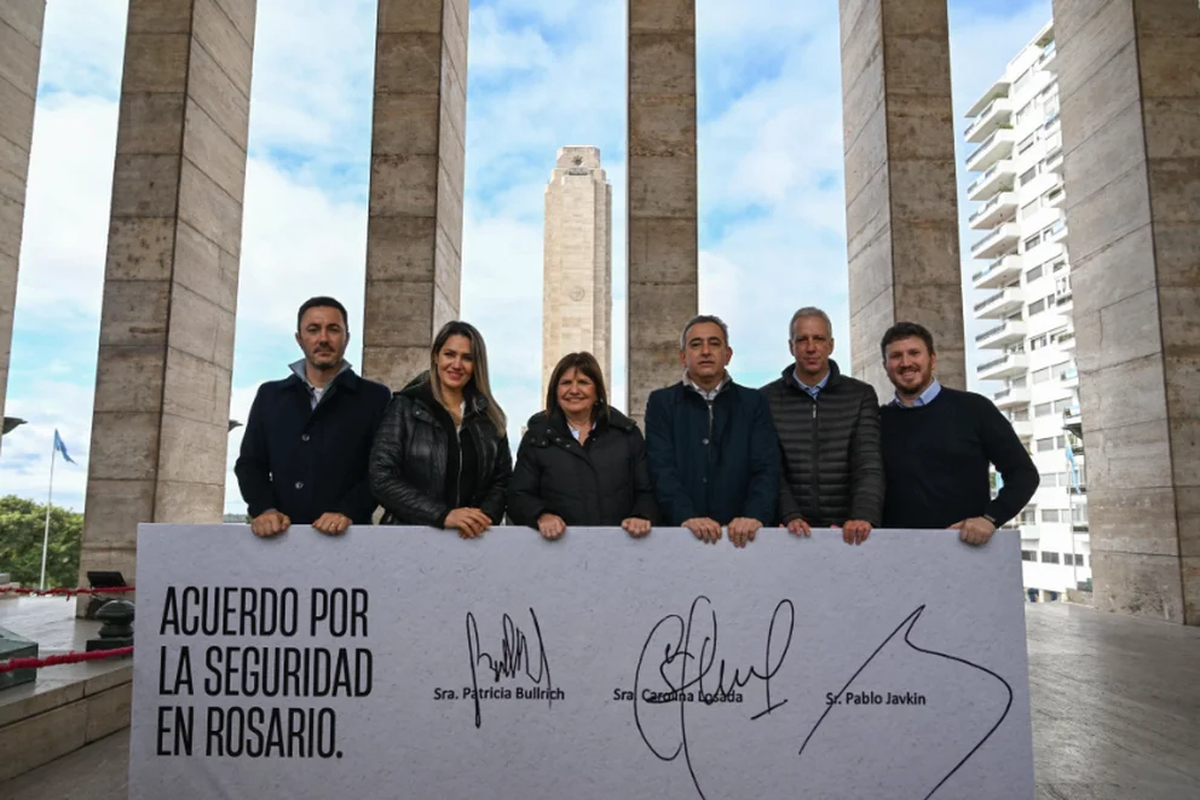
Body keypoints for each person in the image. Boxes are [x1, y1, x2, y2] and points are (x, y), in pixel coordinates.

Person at [235, 296, 391, 538]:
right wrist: (264, 509)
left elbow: (382, 471)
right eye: (313, 329)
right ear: (299, 339)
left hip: (351, 539)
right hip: (279, 538)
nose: (323, 339)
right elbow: (250, 464)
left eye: (333, 329)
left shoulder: (374, 397)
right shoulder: (270, 396)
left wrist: (347, 511)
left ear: (347, 338)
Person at [879, 321, 1039, 545]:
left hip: (965, 550)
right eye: (896, 356)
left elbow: (1024, 474)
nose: (906, 363)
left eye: (914, 353)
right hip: (896, 552)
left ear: (932, 360)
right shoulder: (878, 421)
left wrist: (990, 519)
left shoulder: (975, 409)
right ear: (885, 366)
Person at [644, 314, 780, 548]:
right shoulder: (661, 403)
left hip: (744, 537)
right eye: (696, 344)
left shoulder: (754, 402)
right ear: (683, 356)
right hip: (679, 535)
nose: (705, 351)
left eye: (714, 343)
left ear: (727, 355)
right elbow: (661, 469)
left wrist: (753, 515)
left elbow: (766, 467)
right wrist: (686, 516)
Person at [368, 321, 512, 538]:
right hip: (408, 539)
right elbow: (381, 477)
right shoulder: (405, 406)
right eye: (449, 354)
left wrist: (480, 519)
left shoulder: (490, 418)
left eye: (467, 358)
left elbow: (502, 481)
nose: (457, 364)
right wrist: (443, 515)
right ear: (436, 356)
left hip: (471, 540)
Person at [761, 307, 884, 546]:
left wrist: (862, 516)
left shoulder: (860, 395)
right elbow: (770, 468)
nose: (810, 347)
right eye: (802, 339)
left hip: (849, 533)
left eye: (818, 339)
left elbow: (868, 463)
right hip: (786, 532)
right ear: (791, 346)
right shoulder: (765, 399)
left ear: (831, 344)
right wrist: (789, 516)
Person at [508, 352, 657, 539]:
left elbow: (647, 490)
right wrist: (541, 515)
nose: (574, 390)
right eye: (566, 383)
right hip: (555, 550)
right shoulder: (536, 438)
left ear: (597, 391)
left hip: (619, 547)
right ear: (555, 391)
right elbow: (518, 495)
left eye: (583, 382)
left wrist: (641, 515)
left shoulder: (626, 435)